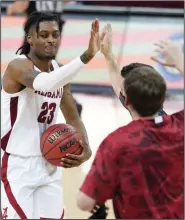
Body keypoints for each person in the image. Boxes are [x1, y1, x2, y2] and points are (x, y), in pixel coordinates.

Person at [76, 24, 184, 219]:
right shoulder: (179, 127)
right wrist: (180, 62)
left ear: (126, 99)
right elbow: (121, 85)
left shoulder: (116, 143)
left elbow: (85, 202)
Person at [1, 11, 100, 219]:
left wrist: (86, 146)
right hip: (18, 164)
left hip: (51, 163)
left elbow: (72, 116)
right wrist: (86, 56)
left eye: (55, 34)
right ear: (30, 38)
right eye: (44, 35)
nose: (51, 40)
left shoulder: (59, 70)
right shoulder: (17, 66)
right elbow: (45, 83)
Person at [6, 0, 83, 117]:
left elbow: (21, 6)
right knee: (46, 74)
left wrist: (11, 8)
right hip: (53, 39)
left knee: (21, 77)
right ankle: (72, 106)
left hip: (36, 40)